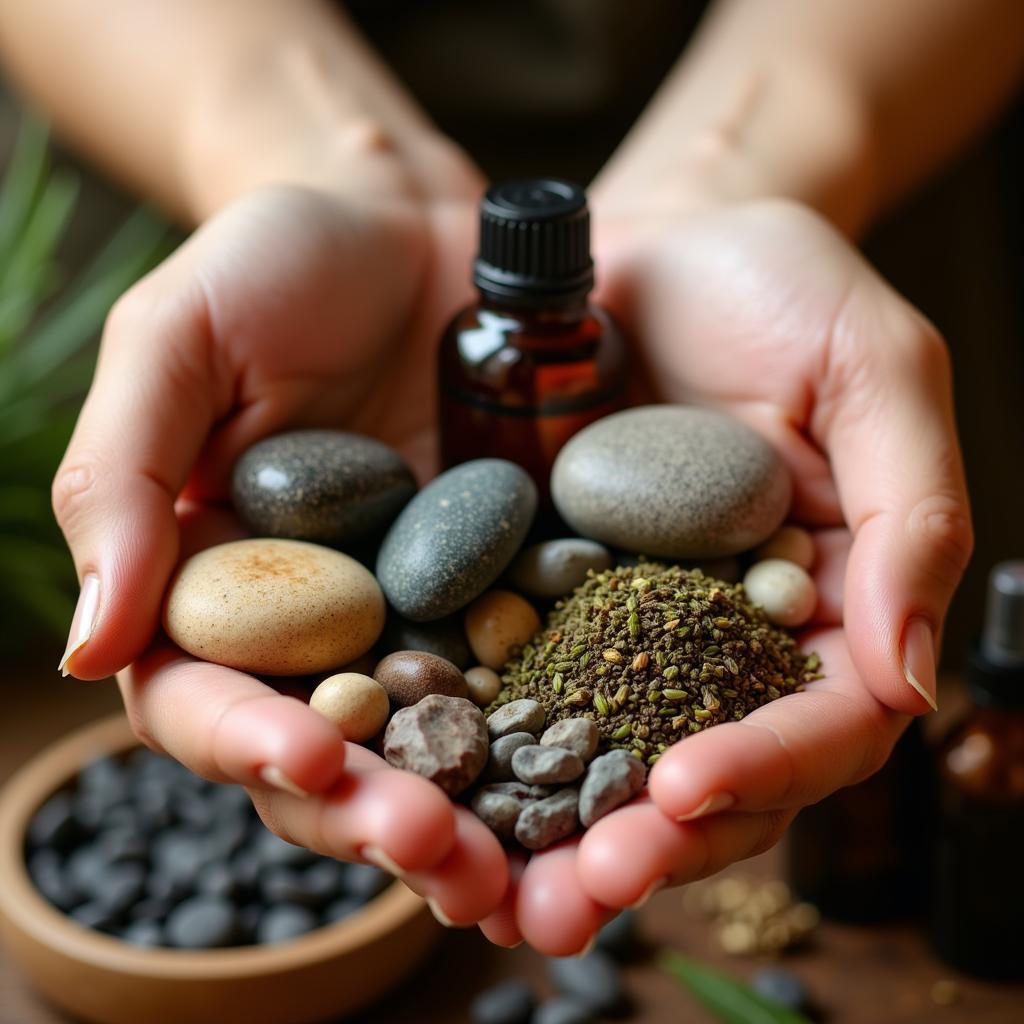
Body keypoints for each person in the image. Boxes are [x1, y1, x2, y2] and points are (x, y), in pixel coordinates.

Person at [0, 0, 1018, 954]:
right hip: (172, 99)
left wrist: (729, 177)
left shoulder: (601, 351)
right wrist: (333, 163)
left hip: (869, 110)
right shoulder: (467, 343)